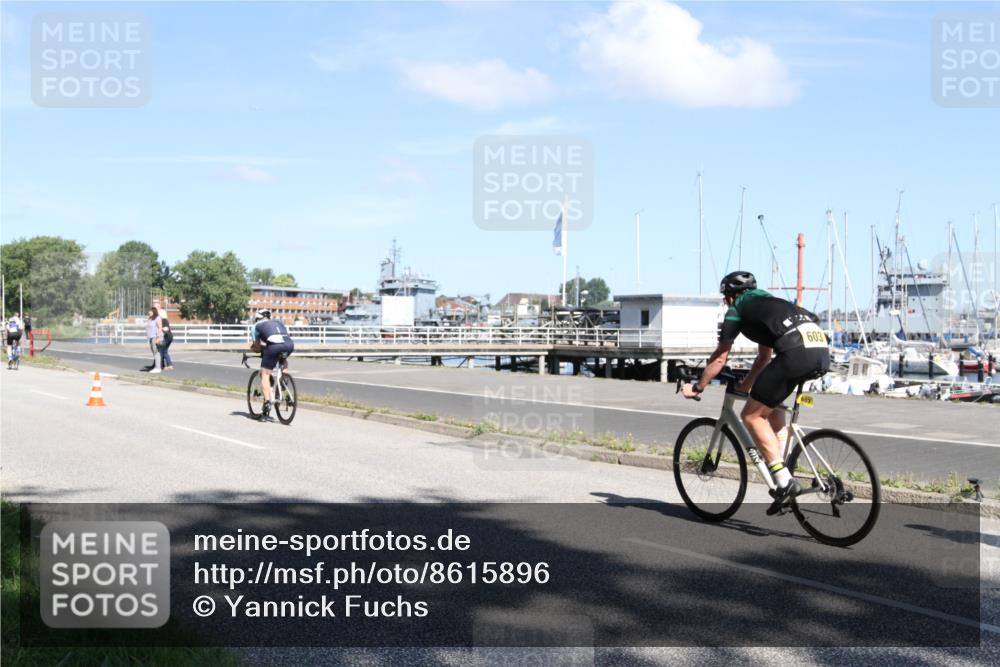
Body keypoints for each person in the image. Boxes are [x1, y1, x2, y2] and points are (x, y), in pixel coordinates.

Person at [682, 271, 830, 512]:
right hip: (820, 352)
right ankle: (783, 472)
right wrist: (746, 386)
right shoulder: (769, 305)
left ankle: (783, 482)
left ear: (731, 296)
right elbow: (763, 358)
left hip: (795, 353)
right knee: (771, 411)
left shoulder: (738, 309)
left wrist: (698, 386)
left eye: (725, 297)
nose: (725, 302)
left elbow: (720, 358)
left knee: (751, 416)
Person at [250, 309, 294, 419]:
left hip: (274, 346)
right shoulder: (278, 322)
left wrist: (252, 348)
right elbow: (281, 338)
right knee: (283, 359)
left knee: (265, 374)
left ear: (257, 318)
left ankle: (267, 403)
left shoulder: (256, 326)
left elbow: (257, 346)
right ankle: (284, 381)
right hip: (289, 344)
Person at [145, 307, 162, 373]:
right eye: (149, 312)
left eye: (150, 312)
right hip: (151, 337)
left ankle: (158, 368)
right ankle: (156, 367)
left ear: (154, 312)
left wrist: (158, 338)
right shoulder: (150, 319)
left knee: (156, 352)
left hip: (155, 337)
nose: (149, 313)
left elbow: (160, 328)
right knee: (154, 352)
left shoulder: (157, 318)